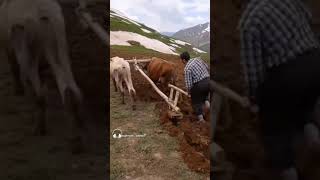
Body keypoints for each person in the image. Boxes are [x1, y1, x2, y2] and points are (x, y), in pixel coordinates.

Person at [239, 0, 320, 179]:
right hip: (315, 60)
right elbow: (309, 17)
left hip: (287, 74)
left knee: (274, 128)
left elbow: (253, 71)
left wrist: (255, 101)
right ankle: (313, 141)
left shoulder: (249, 22)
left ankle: (288, 169)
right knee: (304, 110)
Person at [180, 51, 211, 123]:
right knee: (205, 95)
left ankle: (201, 119)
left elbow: (189, 84)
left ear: (184, 60)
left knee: (195, 101)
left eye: (181, 60)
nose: (181, 61)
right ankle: (208, 106)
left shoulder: (187, 68)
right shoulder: (198, 59)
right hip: (208, 80)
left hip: (199, 85)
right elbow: (207, 67)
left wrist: (189, 92)